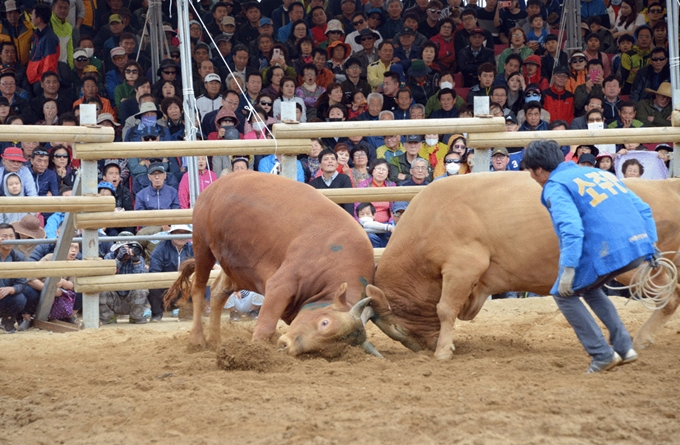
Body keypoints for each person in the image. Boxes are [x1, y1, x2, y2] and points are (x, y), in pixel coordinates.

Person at [523, 139, 657, 373]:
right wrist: (650, 245)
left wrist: (568, 268)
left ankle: (602, 354)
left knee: (563, 294)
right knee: (588, 288)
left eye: (531, 173)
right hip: (638, 245)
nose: (533, 178)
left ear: (539, 170)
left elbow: (571, 229)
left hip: (607, 250)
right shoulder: (598, 173)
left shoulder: (554, 186)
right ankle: (625, 347)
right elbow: (644, 208)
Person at [100, 232, 150, 324]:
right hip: (113, 297)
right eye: (124, 248)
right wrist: (118, 260)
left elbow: (140, 280)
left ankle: (135, 316)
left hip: (131, 297)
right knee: (100, 289)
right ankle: (108, 317)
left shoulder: (139, 259)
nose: (127, 251)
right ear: (117, 248)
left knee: (142, 289)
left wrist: (136, 262)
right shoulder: (109, 257)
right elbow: (105, 276)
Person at [148, 224, 194, 321]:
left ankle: (188, 312)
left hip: (186, 285)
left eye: (185, 233)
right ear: (171, 234)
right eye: (178, 233)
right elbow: (154, 271)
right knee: (153, 285)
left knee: (202, 282)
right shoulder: (160, 249)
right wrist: (170, 284)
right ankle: (156, 314)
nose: (181, 236)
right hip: (165, 287)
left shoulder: (192, 248)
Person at [0, 223, 27, 333]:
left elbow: (22, 283)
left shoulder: (19, 257)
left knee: (20, 298)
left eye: (11, 236)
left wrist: (11, 289)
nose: (9, 239)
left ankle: (7, 322)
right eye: (4, 236)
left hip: (5, 296)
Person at [309, 148, 354, 214]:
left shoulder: (344, 179)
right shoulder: (314, 183)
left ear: (337, 164)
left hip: (342, 218)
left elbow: (349, 204)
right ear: (320, 165)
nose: (330, 161)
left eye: (333, 159)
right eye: (326, 159)